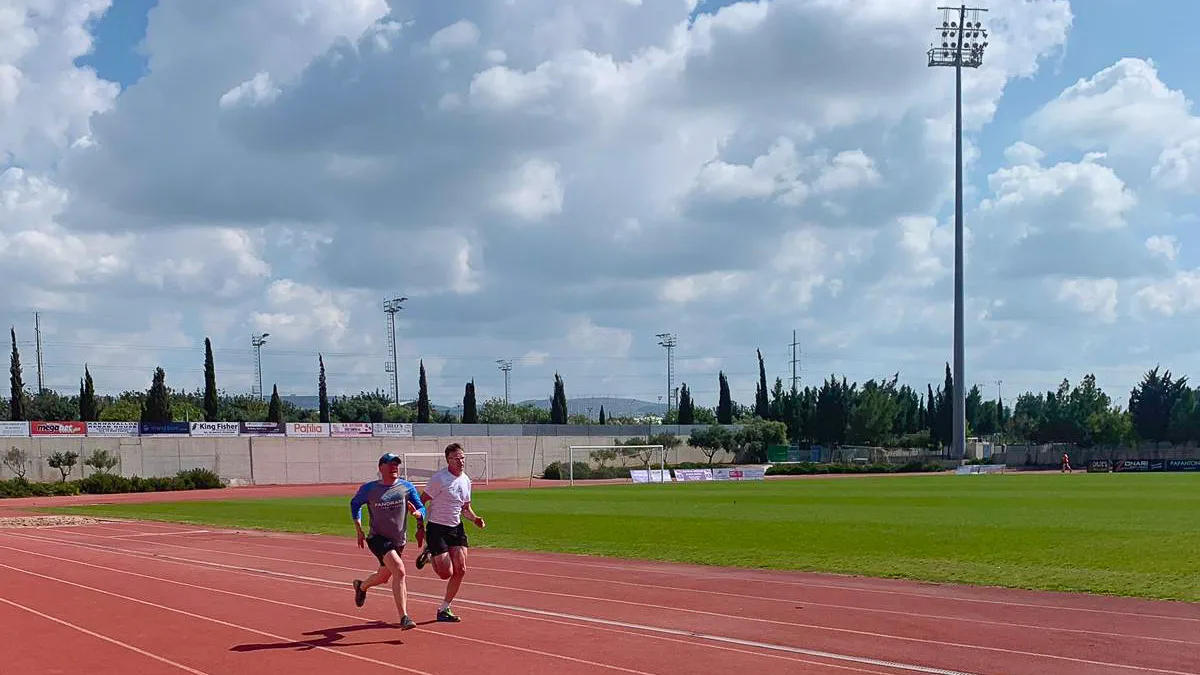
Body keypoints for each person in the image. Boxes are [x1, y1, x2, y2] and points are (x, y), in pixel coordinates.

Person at [349, 452, 426, 630]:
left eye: (396, 464)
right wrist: (358, 528)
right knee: (399, 570)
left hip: (398, 540)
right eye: (390, 464)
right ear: (380, 468)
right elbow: (355, 504)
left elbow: (421, 507)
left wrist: (418, 514)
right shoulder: (369, 489)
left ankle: (361, 586)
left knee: (384, 577)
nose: (394, 467)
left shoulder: (407, 487)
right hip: (377, 538)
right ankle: (404, 617)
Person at [414, 442, 486, 623]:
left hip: (456, 528)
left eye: (463, 458)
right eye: (456, 458)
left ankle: (444, 609)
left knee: (460, 570)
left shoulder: (466, 480)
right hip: (437, 528)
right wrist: (420, 527)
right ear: (448, 460)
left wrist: (475, 519)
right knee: (446, 573)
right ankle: (430, 554)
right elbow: (420, 502)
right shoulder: (439, 479)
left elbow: (466, 508)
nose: (461, 461)